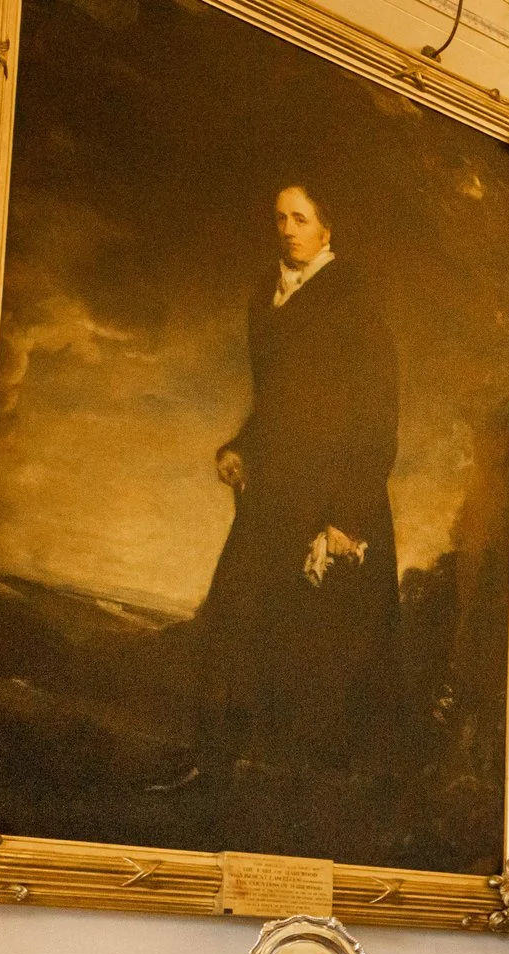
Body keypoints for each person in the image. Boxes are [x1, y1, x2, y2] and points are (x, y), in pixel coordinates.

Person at [171, 182, 401, 840]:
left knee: (320, 652)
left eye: (300, 218)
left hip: (335, 494)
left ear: (328, 226)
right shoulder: (266, 297)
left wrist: (346, 519)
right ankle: (211, 777)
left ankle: (307, 815)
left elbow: (379, 414)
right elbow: (279, 403)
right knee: (237, 618)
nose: (288, 229)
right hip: (274, 492)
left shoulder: (354, 297)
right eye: (279, 218)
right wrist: (243, 446)